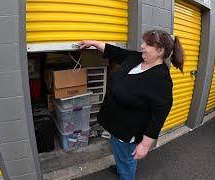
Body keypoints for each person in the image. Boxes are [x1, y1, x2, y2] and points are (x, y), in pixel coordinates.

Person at [79, 30, 184, 180]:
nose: (142, 46)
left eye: (147, 44)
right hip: (116, 124)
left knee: (126, 159)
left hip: (127, 131)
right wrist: (93, 43)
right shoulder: (136, 58)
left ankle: (126, 174)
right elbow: (116, 52)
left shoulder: (161, 80)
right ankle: (122, 167)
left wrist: (145, 145)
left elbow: (159, 116)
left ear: (160, 51)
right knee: (120, 154)